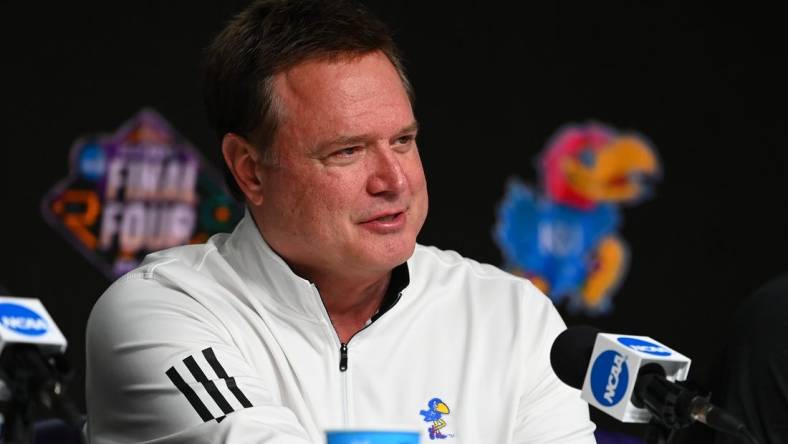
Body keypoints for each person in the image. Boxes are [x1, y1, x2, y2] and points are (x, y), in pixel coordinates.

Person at [85, 0, 596, 442]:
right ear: (250, 170)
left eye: (403, 141)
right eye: (347, 151)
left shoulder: (513, 318)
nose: (394, 180)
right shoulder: (160, 311)